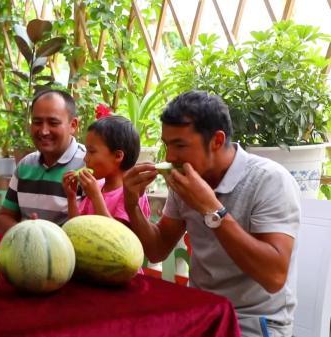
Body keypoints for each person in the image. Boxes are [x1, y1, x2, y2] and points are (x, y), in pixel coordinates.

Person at [123, 91, 300, 337]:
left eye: (180, 145)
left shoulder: (269, 180)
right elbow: (157, 249)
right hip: (200, 310)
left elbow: (274, 276)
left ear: (217, 140)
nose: (170, 157)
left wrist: (211, 209)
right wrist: (131, 204)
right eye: (167, 144)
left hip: (253, 322)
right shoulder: (186, 179)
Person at [0, 89, 86, 233]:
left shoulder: (87, 166)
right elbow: (4, 217)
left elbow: (94, 229)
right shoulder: (25, 166)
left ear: (73, 125)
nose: (44, 131)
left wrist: (48, 239)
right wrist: (27, 233)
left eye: (53, 123)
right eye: (37, 122)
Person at [63, 115, 151, 225]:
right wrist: (71, 197)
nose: (85, 158)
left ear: (118, 156)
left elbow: (118, 236)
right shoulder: (98, 187)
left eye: (92, 151)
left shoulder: (131, 193)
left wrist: (96, 197)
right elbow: (76, 226)